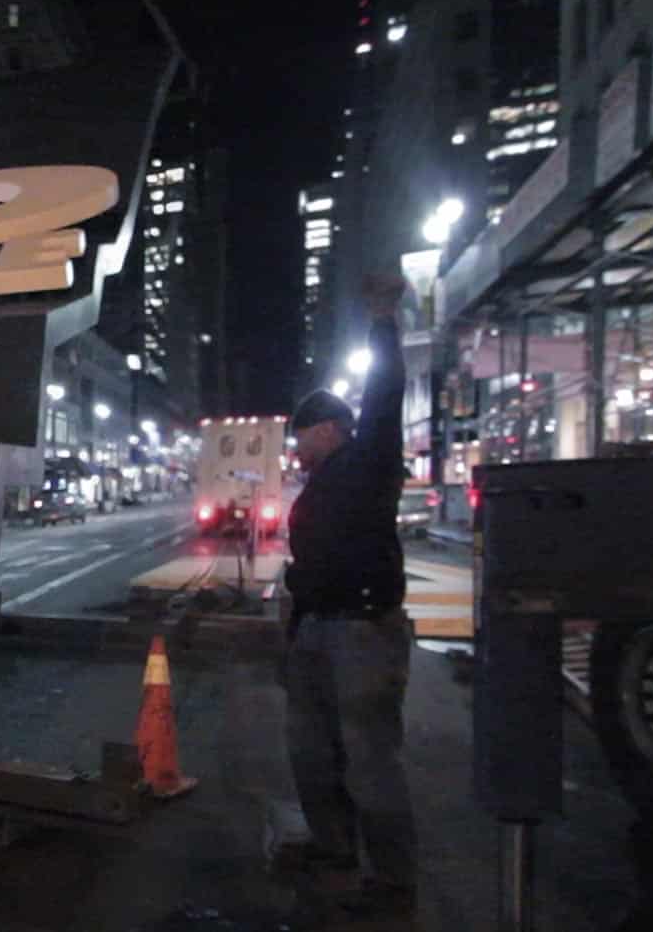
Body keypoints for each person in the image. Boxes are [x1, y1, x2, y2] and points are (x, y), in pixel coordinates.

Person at [280, 272, 416, 921]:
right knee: (311, 751)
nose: (297, 449)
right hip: (316, 629)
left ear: (330, 428)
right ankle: (333, 847)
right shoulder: (323, 480)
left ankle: (392, 879)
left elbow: (386, 393)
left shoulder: (368, 460)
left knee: (369, 758)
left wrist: (382, 318)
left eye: (302, 435)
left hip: (363, 629)